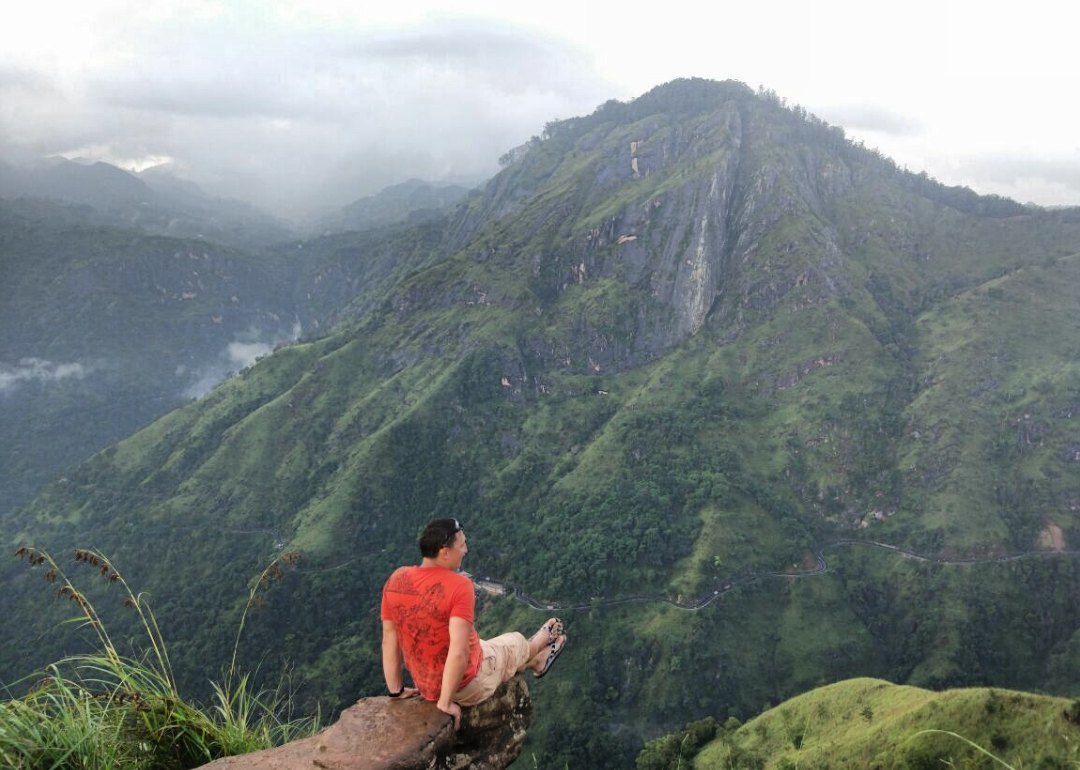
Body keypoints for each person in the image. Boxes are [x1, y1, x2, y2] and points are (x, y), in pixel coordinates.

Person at [381, 517, 567, 728]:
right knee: (513, 642)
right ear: (445, 552)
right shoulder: (459, 586)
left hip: (426, 685)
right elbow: (459, 653)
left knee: (488, 645)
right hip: (467, 683)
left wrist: (396, 691)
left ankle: (534, 661)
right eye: (462, 545)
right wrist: (445, 703)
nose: (466, 550)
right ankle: (536, 654)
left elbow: (389, 639)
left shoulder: (397, 579)